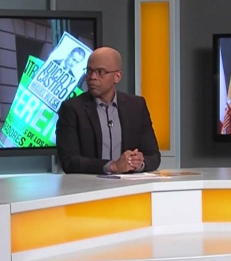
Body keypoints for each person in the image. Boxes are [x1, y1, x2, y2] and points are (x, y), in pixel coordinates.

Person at [56, 46, 160, 174]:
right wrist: (113, 166)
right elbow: (69, 161)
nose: (92, 77)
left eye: (100, 72)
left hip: (129, 184)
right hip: (90, 185)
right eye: (89, 71)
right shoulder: (72, 108)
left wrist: (138, 163)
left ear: (117, 76)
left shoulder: (136, 106)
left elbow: (154, 156)